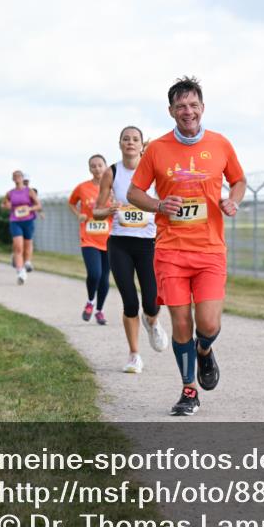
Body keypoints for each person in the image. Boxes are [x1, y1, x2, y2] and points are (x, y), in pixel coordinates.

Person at [128, 76, 246, 416]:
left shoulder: (220, 144)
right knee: (181, 323)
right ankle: (189, 390)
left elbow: (238, 180)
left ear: (202, 108)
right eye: (181, 106)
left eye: (193, 105)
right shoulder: (157, 149)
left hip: (209, 249)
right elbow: (135, 192)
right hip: (170, 250)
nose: (188, 111)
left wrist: (233, 201)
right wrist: (158, 205)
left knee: (207, 324)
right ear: (171, 111)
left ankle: (204, 351)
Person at [95, 128, 168, 373]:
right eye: (126, 139)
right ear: (120, 144)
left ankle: (153, 322)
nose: (130, 143)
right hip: (120, 243)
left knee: (151, 301)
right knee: (129, 302)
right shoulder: (111, 172)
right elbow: (96, 210)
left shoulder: (153, 170)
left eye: (135, 139)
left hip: (147, 243)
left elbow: (165, 200)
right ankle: (134, 355)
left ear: (140, 145)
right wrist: (110, 210)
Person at [68, 155, 113, 325]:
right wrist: (78, 214)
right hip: (88, 238)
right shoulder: (82, 187)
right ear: (90, 169)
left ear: (105, 167)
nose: (97, 169)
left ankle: (99, 311)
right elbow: (72, 203)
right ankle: (90, 301)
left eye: (100, 165)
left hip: (109, 239)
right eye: (93, 166)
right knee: (95, 273)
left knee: (104, 278)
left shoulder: (113, 188)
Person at [2, 170, 41, 285]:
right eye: (15, 177)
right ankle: (20, 271)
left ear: (22, 178)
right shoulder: (10, 193)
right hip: (15, 221)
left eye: (19, 176)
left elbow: (38, 205)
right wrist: (6, 205)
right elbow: (4, 204)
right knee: (18, 247)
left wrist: (30, 209)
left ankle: (27, 262)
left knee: (27, 244)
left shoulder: (29, 192)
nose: (17, 178)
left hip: (28, 221)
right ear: (13, 179)